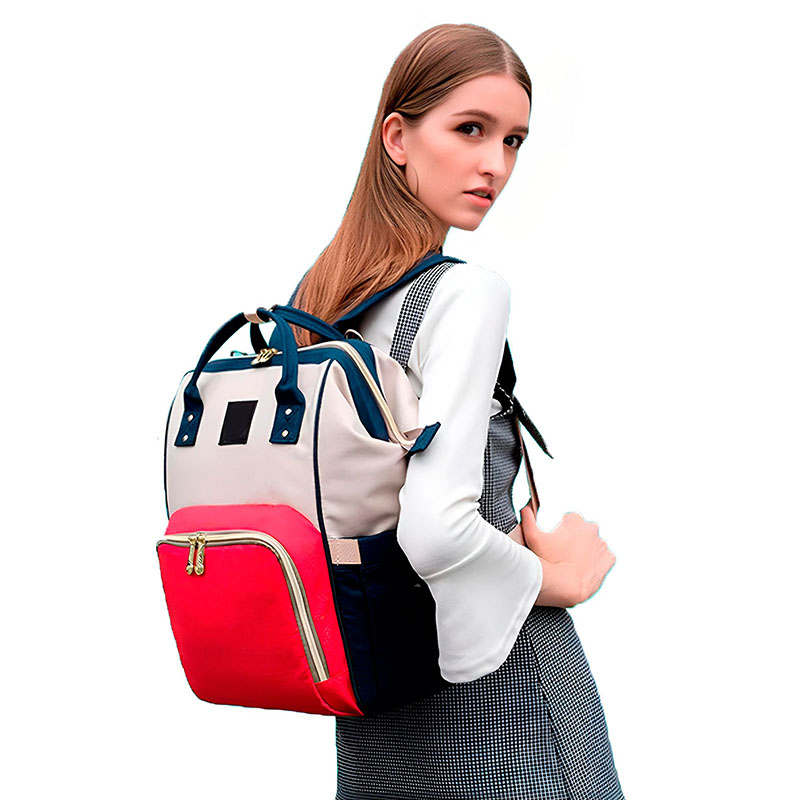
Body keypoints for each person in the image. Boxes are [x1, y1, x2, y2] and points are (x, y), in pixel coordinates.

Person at [286, 22, 624, 800]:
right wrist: (558, 575)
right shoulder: (467, 293)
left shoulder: (317, 304)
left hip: (375, 703)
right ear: (397, 138)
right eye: (471, 129)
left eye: (513, 141)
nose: (494, 164)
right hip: (505, 698)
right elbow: (433, 528)